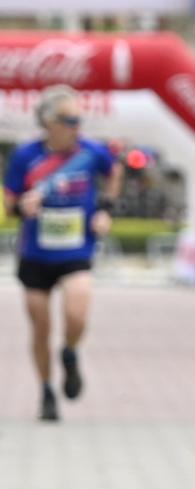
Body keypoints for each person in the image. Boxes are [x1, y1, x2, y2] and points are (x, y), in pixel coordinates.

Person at [3, 86, 120, 422]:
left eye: (79, 119)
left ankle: (69, 353)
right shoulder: (26, 157)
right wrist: (23, 206)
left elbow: (114, 172)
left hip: (75, 250)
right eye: (70, 119)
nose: (77, 126)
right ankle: (46, 391)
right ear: (49, 122)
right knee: (40, 326)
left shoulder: (91, 152)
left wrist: (105, 210)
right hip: (36, 254)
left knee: (77, 313)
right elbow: (10, 202)